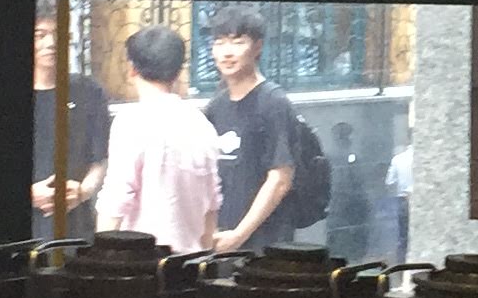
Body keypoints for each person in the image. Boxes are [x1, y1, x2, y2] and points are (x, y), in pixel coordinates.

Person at [70, 22, 220, 250]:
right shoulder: (202, 125)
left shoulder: (132, 121)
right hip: (191, 258)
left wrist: (102, 254)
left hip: (141, 260)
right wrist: (206, 256)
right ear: (178, 72)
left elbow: (116, 199)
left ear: (132, 69)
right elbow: (211, 204)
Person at [205, 17, 319, 254]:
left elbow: (280, 179)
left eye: (238, 42)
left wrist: (239, 235)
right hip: (222, 239)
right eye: (219, 43)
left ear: (258, 47)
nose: (227, 52)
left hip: (264, 244)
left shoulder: (273, 102)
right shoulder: (217, 106)